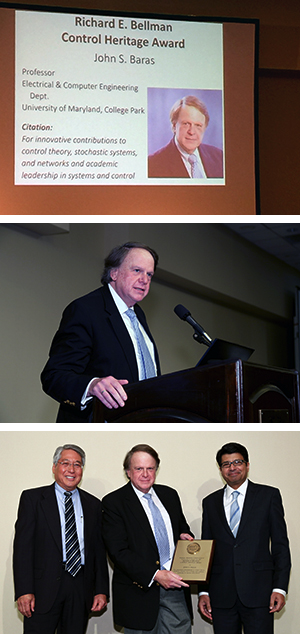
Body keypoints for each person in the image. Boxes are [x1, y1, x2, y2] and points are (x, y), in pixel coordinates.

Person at [41, 241, 160, 423]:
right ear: (114, 273)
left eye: (149, 274)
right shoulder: (86, 309)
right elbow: (54, 376)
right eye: (137, 270)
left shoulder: (138, 315)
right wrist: (92, 385)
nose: (145, 280)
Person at [13, 443, 109, 634]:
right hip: (42, 589)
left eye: (78, 464)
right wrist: (24, 590)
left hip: (80, 587)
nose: (71, 470)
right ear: (54, 467)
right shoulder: (33, 499)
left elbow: (98, 550)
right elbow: (23, 548)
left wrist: (101, 589)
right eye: (65, 463)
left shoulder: (93, 504)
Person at [198, 442, 291, 634]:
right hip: (221, 594)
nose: (232, 468)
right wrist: (204, 591)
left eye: (237, 462)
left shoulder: (269, 496)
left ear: (247, 465)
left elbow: (281, 545)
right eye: (226, 464)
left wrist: (280, 588)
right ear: (221, 469)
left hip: (259, 593)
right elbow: (206, 549)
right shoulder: (210, 502)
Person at [102, 443, 194, 634]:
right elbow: (118, 551)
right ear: (128, 472)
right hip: (138, 593)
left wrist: (184, 536)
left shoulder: (170, 495)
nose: (145, 474)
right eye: (139, 468)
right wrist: (156, 574)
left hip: (175, 589)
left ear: (156, 470)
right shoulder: (114, 502)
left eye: (150, 468)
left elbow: (181, 528)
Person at [148, 95, 223, 178]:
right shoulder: (152, 165)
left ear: (205, 128)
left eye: (198, 125)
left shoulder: (219, 157)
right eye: (186, 124)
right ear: (174, 126)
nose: (191, 132)